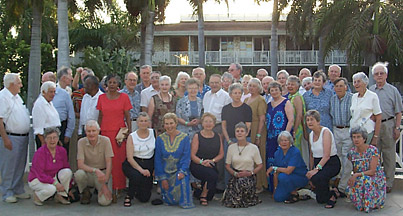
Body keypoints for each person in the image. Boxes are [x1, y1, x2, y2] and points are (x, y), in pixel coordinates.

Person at [96, 74, 132, 201]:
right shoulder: (101, 98)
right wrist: (98, 133)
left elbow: (127, 116)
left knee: (118, 162)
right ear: (106, 84)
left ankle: (119, 188)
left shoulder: (124, 97)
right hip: (105, 133)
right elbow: (100, 116)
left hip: (119, 135)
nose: (112, 85)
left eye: (114, 82)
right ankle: (107, 187)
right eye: (110, 82)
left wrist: (129, 131)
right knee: (106, 161)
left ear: (118, 85)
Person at [369, 62, 403, 193]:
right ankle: (376, 181)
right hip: (373, 126)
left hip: (388, 124)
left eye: (381, 73)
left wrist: (397, 128)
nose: (379, 76)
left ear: (386, 75)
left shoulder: (393, 91)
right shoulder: (370, 90)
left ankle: (389, 183)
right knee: (374, 154)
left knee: (389, 155)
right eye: (376, 74)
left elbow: (398, 111)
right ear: (374, 76)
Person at [0, 73, 31, 203]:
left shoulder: (17, 97)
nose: (21, 85)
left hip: (22, 137)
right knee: (9, 166)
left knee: (20, 165)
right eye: (19, 83)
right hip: (11, 136)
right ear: (11, 84)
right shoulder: (3, 97)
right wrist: (5, 138)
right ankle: (7, 192)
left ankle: (18, 189)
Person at [154, 113, 194, 209]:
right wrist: (162, 178)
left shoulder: (184, 138)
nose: (169, 126)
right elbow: (158, 159)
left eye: (171, 123)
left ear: (176, 123)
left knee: (183, 181)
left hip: (179, 170)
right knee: (170, 201)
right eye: (166, 124)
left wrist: (182, 172)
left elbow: (186, 157)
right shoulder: (160, 139)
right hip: (165, 172)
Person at [222, 122, 263, 208]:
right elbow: (227, 165)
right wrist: (235, 173)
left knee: (242, 184)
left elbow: (260, 165)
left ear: (246, 133)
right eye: (237, 131)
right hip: (236, 175)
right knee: (236, 187)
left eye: (242, 131)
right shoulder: (231, 148)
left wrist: (250, 173)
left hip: (249, 176)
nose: (239, 133)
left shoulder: (253, 148)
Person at [305, 110, 341, 209]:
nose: (309, 122)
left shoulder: (325, 132)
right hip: (318, 163)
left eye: (312, 120)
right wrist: (311, 170)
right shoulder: (310, 135)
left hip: (330, 163)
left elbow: (326, 155)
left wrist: (316, 170)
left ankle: (332, 195)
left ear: (318, 121)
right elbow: (312, 155)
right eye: (307, 120)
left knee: (318, 177)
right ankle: (331, 191)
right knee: (320, 200)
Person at [346, 126, 386, 213]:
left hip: (375, 178)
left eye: (359, 137)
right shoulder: (352, 153)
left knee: (366, 180)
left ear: (364, 138)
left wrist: (356, 175)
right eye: (354, 137)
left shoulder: (372, 150)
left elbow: (372, 171)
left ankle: (371, 203)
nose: (356, 139)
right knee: (354, 182)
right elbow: (353, 169)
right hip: (360, 177)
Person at [28, 127, 72, 206]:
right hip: (37, 179)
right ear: (45, 139)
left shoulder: (62, 151)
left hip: (52, 177)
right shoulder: (40, 153)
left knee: (67, 172)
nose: (52, 140)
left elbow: (66, 166)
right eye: (49, 138)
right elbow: (40, 174)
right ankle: (37, 196)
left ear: (58, 138)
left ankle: (60, 195)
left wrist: (70, 185)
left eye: (54, 137)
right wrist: (55, 183)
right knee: (51, 189)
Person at [74, 120, 113, 206]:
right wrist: (95, 170)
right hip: (89, 173)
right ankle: (86, 192)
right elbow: (80, 164)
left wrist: (105, 183)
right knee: (79, 174)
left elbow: (109, 163)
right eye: (89, 131)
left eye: (94, 131)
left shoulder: (106, 140)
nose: (91, 134)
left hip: (102, 175)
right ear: (85, 132)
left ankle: (98, 189)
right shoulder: (81, 142)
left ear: (98, 131)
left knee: (104, 202)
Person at [190, 113, 224, 205]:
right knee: (212, 175)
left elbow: (221, 154)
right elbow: (192, 155)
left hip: (211, 164)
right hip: (197, 165)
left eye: (210, 122)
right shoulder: (197, 136)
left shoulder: (218, 136)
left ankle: (198, 192)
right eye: (206, 121)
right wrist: (202, 162)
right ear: (202, 123)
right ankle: (203, 195)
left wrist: (212, 161)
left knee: (210, 196)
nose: (208, 124)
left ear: (214, 124)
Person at [222, 83, 252, 185]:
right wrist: (228, 141)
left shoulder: (247, 108)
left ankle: (244, 187)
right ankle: (229, 188)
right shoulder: (225, 109)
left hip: (244, 141)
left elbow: (248, 126)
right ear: (230, 95)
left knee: (244, 163)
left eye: (239, 93)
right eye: (235, 93)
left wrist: (241, 140)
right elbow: (224, 126)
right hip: (230, 140)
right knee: (228, 164)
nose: (237, 95)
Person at [266, 81, 294, 192]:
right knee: (271, 160)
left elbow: (291, 119)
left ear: (280, 91)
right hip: (270, 138)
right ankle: (272, 187)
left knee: (282, 161)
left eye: (276, 90)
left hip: (282, 137)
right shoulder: (269, 104)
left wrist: (285, 135)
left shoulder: (286, 102)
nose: (274, 92)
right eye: (272, 90)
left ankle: (283, 188)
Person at [122, 113, 155, 206]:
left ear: (149, 122)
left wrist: (155, 169)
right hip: (134, 163)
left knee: (144, 198)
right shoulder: (132, 136)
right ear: (137, 123)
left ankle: (138, 192)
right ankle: (129, 195)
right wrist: (142, 170)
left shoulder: (153, 133)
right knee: (136, 176)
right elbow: (129, 158)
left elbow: (157, 152)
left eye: (146, 121)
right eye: (141, 121)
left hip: (149, 163)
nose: (143, 123)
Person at [266, 131, 308, 203]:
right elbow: (276, 173)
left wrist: (273, 168)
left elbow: (288, 171)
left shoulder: (295, 152)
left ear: (290, 142)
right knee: (278, 198)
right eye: (281, 140)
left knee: (282, 176)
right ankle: (298, 193)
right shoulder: (277, 153)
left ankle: (298, 191)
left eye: (286, 140)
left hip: (299, 177)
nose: (283, 142)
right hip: (286, 179)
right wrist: (275, 190)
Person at [330, 77, 353, 197]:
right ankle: (337, 182)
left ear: (346, 87)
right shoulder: (332, 99)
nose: (338, 88)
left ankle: (343, 186)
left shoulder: (352, 98)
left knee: (347, 158)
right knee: (337, 157)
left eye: (341, 86)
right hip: (336, 130)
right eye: (336, 86)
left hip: (347, 130)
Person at [244, 78, 268, 193]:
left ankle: (260, 183)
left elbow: (262, 119)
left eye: (254, 86)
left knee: (259, 156)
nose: (251, 88)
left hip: (257, 128)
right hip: (247, 129)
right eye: (250, 85)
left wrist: (258, 135)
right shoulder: (247, 99)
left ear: (259, 87)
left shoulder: (260, 100)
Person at [350, 72, 381, 145]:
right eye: (354, 82)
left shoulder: (373, 96)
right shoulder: (354, 97)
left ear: (365, 83)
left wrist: (375, 137)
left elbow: (378, 117)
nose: (356, 84)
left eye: (358, 81)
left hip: (367, 132)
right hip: (354, 133)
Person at [53, 69, 76, 155]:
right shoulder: (51, 91)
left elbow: (71, 115)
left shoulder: (68, 92)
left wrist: (68, 133)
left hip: (62, 128)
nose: (72, 78)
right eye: (70, 75)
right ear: (63, 78)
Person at [32, 81, 61, 149]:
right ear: (44, 92)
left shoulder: (50, 103)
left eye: (54, 92)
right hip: (46, 138)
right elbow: (38, 127)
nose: (53, 94)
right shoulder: (39, 105)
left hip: (54, 136)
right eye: (51, 92)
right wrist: (43, 142)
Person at [286, 75, 306, 155]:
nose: (290, 86)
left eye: (292, 84)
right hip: (290, 127)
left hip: (296, 128)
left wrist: (294, 130)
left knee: (295, 150)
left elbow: (299, 115)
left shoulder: (297, 97)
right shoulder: (289, 96)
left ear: (298, 86)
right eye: (288, 84)